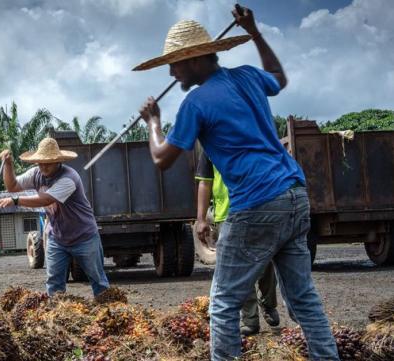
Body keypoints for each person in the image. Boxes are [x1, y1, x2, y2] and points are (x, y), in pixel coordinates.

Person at [133, 5, 338, 360]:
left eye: (176, 63)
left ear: (196, 59)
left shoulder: (195, 102)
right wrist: (255, 31)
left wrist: (153, 122)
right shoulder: (246, 76)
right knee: (302, 298)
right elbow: (278, 76)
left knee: (224, 302)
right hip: (294, 195)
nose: (171, 71)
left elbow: (161, 158)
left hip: (257, 203)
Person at [0, 137, 110, 297]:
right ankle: (55, 317)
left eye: (47, 162)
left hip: (84, 237)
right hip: (57, 238)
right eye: (40, 162)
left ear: (58, 161)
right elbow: (12, 186)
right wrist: (8, 164)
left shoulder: (69, 178)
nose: (43, 166)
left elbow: (46, 199)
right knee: (54, 284)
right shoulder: (36, 173)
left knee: (99, 281)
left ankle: (110, 312)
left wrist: (16, 201)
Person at [195, 151, 280, 336]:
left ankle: (268, 303)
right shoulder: (210, 148)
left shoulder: (248, 135)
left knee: (265, 263)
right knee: (239, 270)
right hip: (227, 215)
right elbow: (204, 181)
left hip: (257, 210)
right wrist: (201, 219)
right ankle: (250, 320)